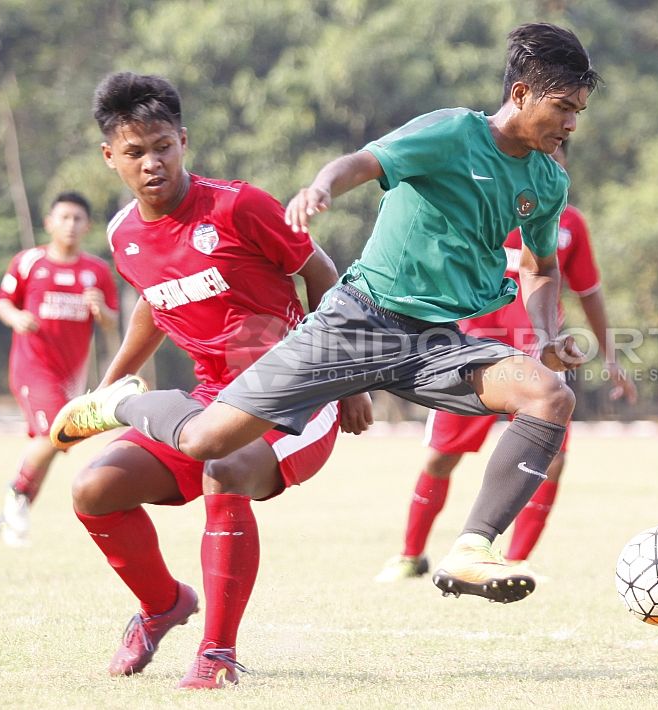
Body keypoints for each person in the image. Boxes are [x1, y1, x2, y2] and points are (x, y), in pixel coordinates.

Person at [52, 23, 602, 606]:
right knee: (207, 442)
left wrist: (545, 336)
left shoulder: (547, 181)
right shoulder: (452, 132)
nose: (570, 124)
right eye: (562, 108)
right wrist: (321, 186)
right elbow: (362, 163)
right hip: (360, 321)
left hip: (437, 341)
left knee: (550, 396)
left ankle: (471, 548)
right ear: (520, 95)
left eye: (579, 112)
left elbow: (541, 267)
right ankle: (118, 403)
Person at [69, 71, 373, 689]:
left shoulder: (239, 206)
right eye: (135, 152)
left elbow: (324, 275)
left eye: (163, 146)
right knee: (94, 489)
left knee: (224, 468)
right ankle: (163, 606)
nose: (151, 162)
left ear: (183, 141)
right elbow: (154, 303)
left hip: (291, 391)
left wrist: (347, 380)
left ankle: (217, 654)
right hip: (206, 401)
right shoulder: (122, 234)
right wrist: (110, 386)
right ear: (110, 158)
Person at [375, 143, 637, 583]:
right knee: (441, 458)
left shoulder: (569, 224)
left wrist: (612, 357)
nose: (549, 166)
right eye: (542, 156)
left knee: (551, 460)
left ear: (566, 164)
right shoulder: (486, 207)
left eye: (558, 157)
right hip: (473, 353)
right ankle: (410, 555)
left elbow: (589, 292)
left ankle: (515, 559)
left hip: (540, 358)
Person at [0, 192, 118, 547]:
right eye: (63, 218)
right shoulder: (29, 262)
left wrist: (102, 312)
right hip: (32, 367)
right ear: (49, 223)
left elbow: (112, 323)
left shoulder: (96, 271)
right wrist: (17, 318)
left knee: (51, 442)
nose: (70, 225)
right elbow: (3, 302)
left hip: (70, 376)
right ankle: (16, 496)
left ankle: (15, 512)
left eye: (78, 219)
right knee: (52, 436)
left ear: (87, 226)